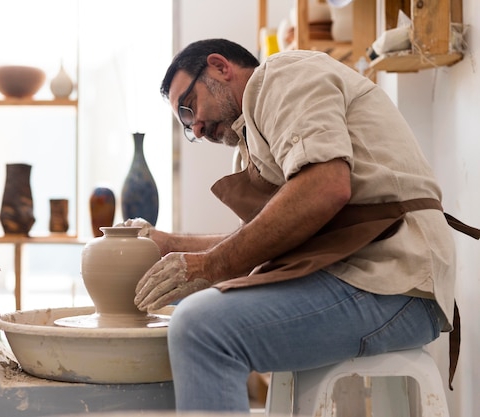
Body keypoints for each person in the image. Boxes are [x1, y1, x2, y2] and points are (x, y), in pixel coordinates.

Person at [125, 38, 469, 412]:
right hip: (358, 271)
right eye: (188, 126)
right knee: (175, 302)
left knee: (200, 328)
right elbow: (260, 238)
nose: (199, 128)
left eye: (189, 109)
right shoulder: (251, 144)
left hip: (394, 279)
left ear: (220, 66)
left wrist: (212, 265)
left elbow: (325, 187)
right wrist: (168, 244)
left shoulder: (283, 77)